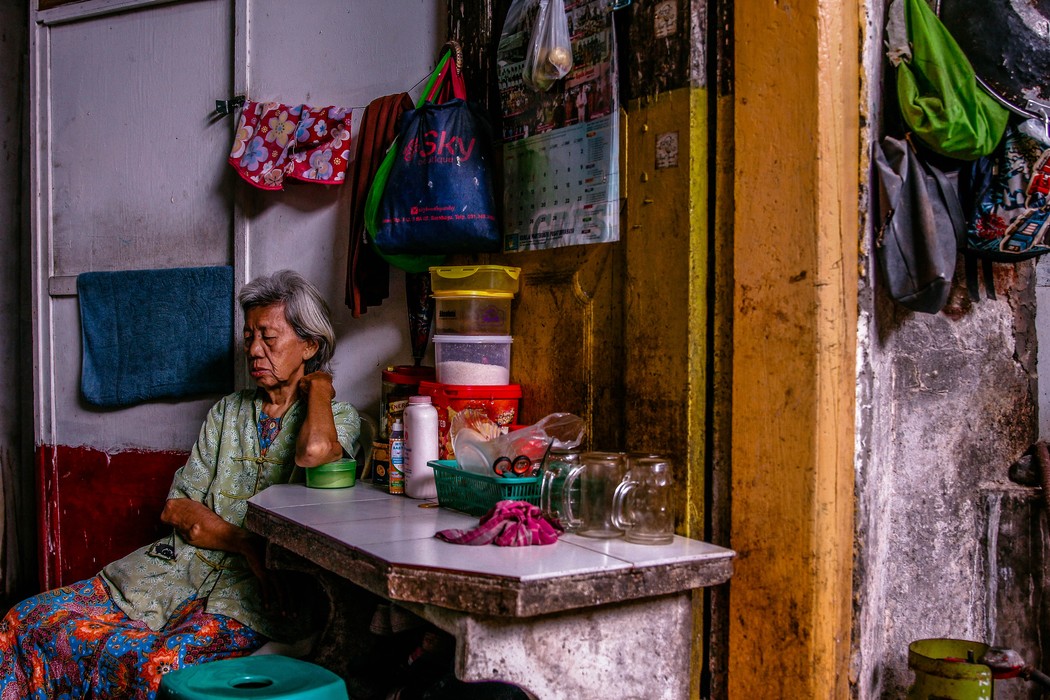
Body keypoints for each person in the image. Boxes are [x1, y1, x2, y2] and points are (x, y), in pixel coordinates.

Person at [0, 270, 361, 699]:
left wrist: (318, 387)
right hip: (172, 572)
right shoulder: (228, 411)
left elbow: (314, 453)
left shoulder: (337, 421)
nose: (254, 350)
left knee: (158, 669)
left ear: (310, 345)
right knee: (26, 618)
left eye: (269, 337)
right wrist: (245, 543)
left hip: (255, 598)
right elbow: (176, 508)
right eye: (249, 337)